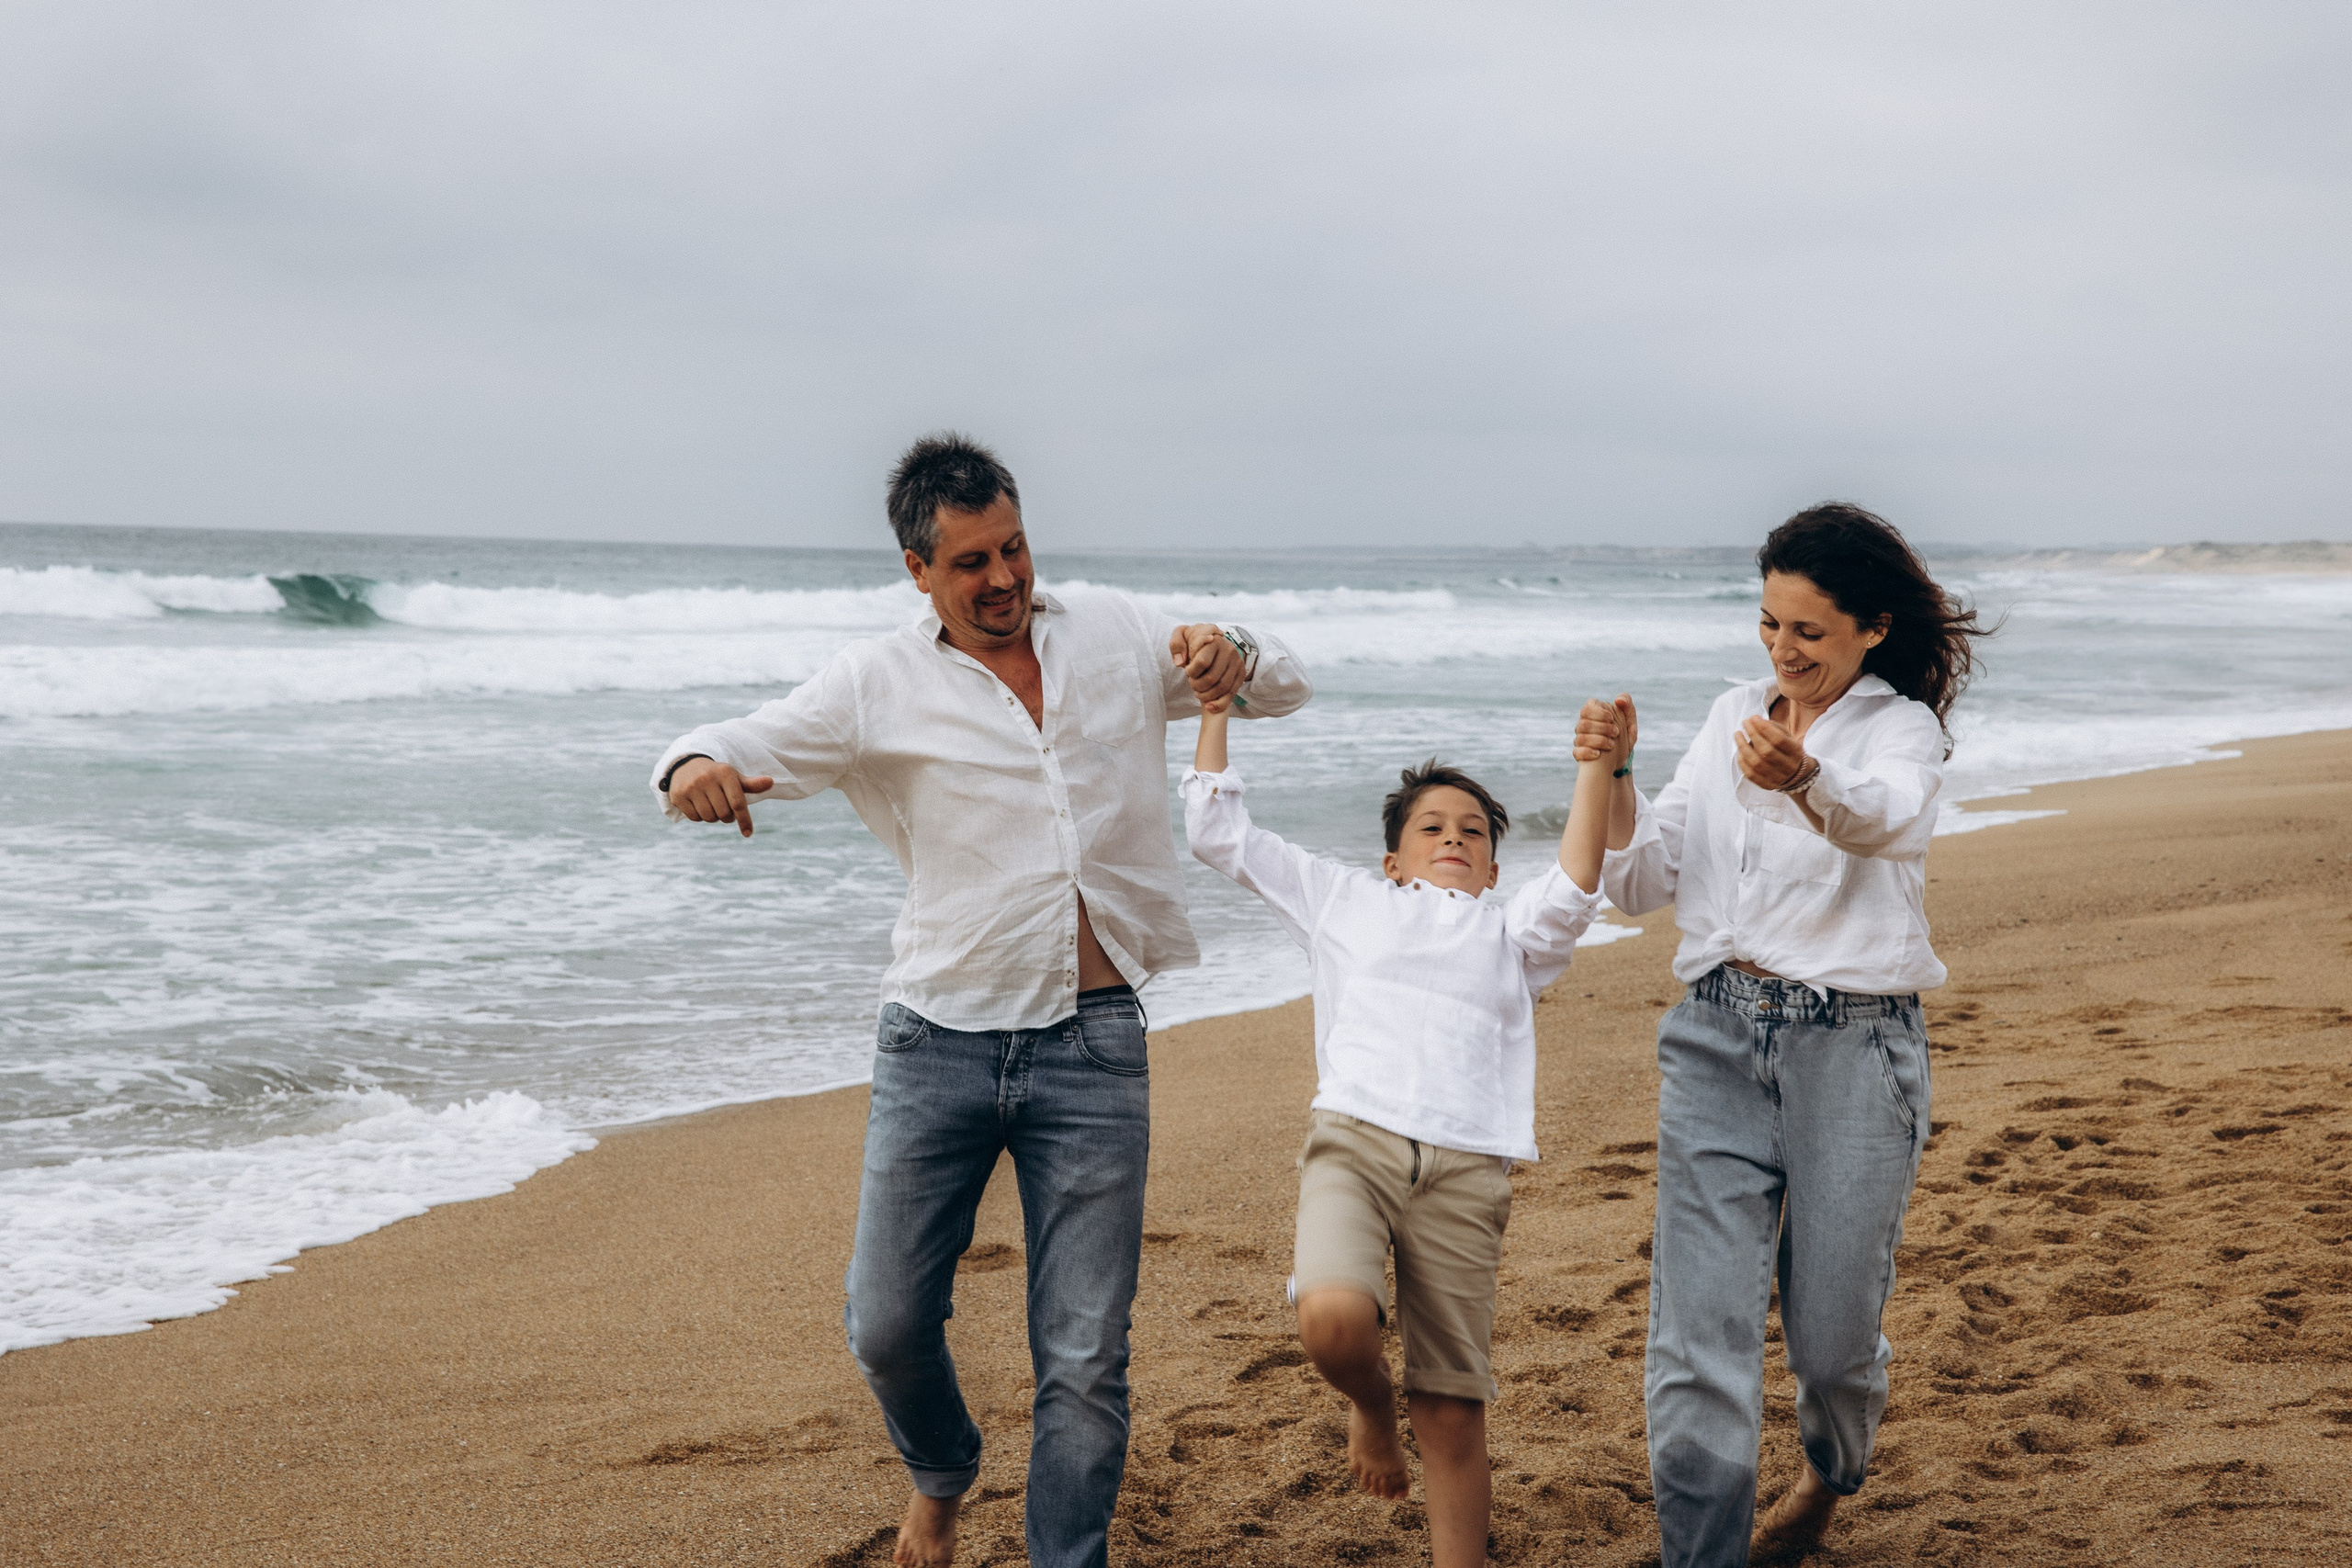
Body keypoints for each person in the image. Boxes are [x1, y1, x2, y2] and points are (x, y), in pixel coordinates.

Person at [650, 434, 1312, 1568]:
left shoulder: (1108, 628)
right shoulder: (875, 683)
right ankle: (943, 1474)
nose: (1002, 577)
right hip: (937, 1045)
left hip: (1094, 1048)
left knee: (1084, 1356)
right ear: (919, 571)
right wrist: (691, 767)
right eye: (970, 564)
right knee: (887, 1322)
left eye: (1012, 548)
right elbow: (744, 738)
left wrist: (1228, 648)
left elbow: (1283, 680)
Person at [1591, 502, 1992, 1567]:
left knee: (1830, 1344)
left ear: (1868, 628)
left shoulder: (1900, 728)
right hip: (1714, 1041)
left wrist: (1804, 779)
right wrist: (1613, 777)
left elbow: (1889, 817)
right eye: (1769, 624)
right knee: (1697, 1339)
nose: (1781, 649)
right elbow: (1637, 883)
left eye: (1807, 630)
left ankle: (1827, 1475)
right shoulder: (1732, 714)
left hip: (1853, 1055)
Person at [1181, 694, 1626, 1568]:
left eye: (1474, 831)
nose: (1455, 837)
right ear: (1394, 858)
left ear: (1496, 868)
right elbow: (1216, 832)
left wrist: (1595, 766)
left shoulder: (1510, 934)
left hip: (1468, 1170)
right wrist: (1214, 707)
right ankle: (1370, 1404)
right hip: (1354, 1140)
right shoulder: (1345, 899)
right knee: (1334, 1320)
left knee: (1454, 1409)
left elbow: (1577, 882)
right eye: (1432, 826)